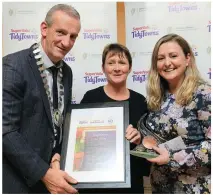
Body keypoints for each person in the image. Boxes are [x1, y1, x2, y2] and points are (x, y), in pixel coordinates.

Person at [3, 4, 81, 193]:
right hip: (18, 181)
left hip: (55, 177)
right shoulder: (14, 65)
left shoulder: (67, 72)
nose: (66, 42)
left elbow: (57, 121)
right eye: (61, 33)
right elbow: (5, 131)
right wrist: (44, 173)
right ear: (44, 29)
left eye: (73, 37)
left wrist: (56, 155)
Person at [128, 34, 211, 193]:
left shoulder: (204, 95)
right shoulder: (157, 97)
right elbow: (160, 140)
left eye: (173, 56)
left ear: (187, 59)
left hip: (193, 188)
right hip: (160, 187)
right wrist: (142, 140)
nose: (167, 63)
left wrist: (172, 157)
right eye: (160, 58)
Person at [80, 43, 151, 194]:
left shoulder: (140, 101)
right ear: (103, 68)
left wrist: (140, 140)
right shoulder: (91, 97)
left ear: (130, 68)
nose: (117, 68)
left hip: (130, 182)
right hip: (95, 181)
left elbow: (149, 145)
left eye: (122, 62)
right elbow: (79, 139)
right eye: (111, 63)